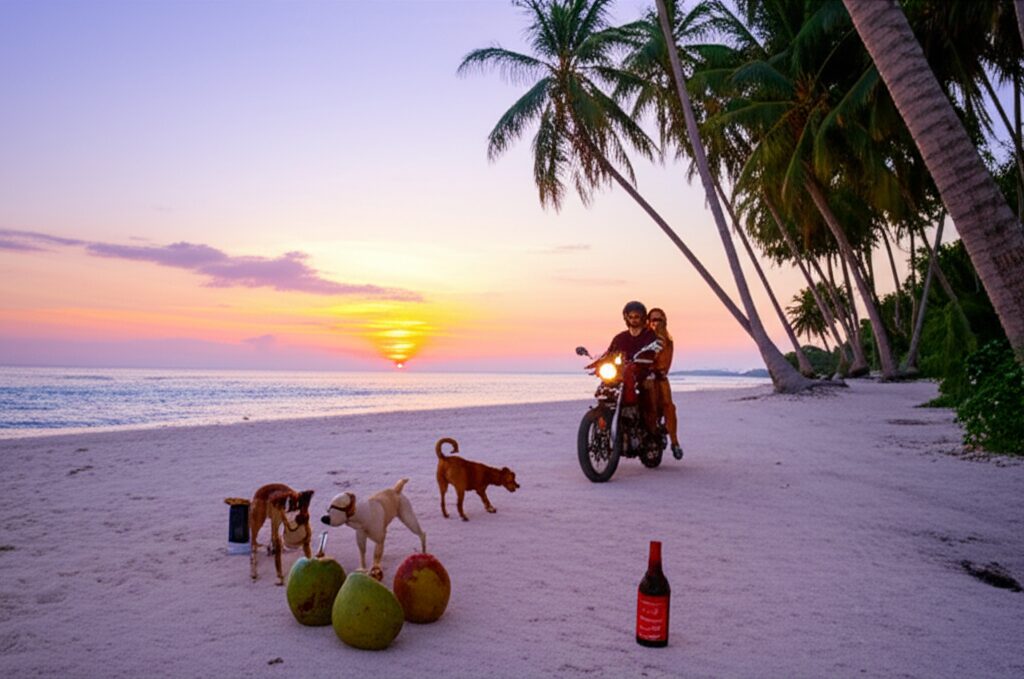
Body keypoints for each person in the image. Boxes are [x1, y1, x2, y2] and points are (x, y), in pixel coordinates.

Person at [600, 301, 660, 434]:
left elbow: (654, 351)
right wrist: (599, 360)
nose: (633, 320)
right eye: (630, 317)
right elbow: (609, 353)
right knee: (605, 387)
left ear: (643, 317)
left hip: (642, 371)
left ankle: (646, 424)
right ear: (626, 318)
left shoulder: (649, 335)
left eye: (636, 316)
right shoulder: (620, 338)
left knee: (646, 393)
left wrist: (645, 358)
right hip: (622, 373)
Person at [647, 308, 683, 460]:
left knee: (668, 406)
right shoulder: (642, 336)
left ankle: (674, 442)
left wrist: (656, 370)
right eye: (652, 319)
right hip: (641, 376)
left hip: (658, 378)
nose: (655, 323)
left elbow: (662, 361)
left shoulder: (666, 340)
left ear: (664, 321)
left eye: (659, 319)